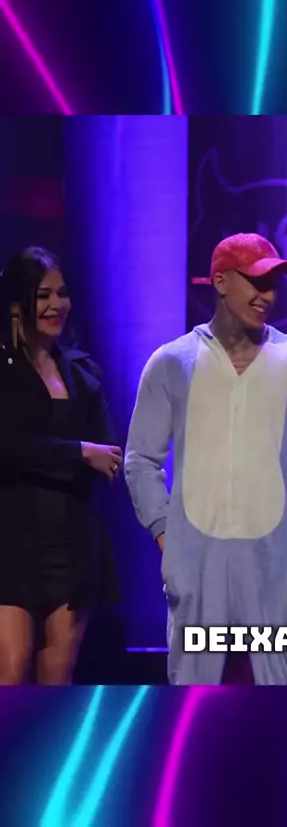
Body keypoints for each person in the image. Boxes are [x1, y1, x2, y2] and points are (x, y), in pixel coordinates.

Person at [124, 232, 287, 685]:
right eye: (256, 282)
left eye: (273, 285)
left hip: (275, 573)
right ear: (220, 282)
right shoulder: (173, 363)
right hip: (198, 568)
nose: (267, 296)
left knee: (283, 698)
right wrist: (167, 535)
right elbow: (141, 458)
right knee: (193, 698)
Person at [0, 246, 123, 685]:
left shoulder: (82, 371)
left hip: (72, 540)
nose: (57, 304)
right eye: (43, 295)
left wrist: (68, 454)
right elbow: (7, 446)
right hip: (11, 539)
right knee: (11, 669)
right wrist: (77, 453)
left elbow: (108, 453)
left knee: (58, 676)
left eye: (62, 293)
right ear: (17, 304)